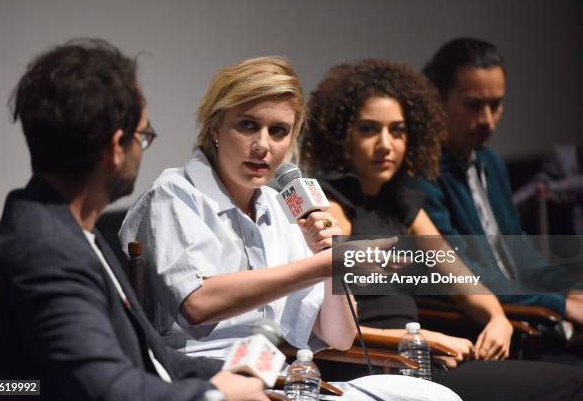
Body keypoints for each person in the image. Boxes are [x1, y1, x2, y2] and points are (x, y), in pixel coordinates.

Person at [119, 56, 463, 400]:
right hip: (202, 381)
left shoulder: (279, 207)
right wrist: (322, 264)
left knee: (436, 397)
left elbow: (339, 336)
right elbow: (197, 304)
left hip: (281, 381)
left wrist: (330, 262)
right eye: (248, 125)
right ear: (215, 129)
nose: (263, 146)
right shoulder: (175, 193)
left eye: (279, 131)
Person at [0, 38, 268, 401]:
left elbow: (155, 359)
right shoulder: (45, 250)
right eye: (143, 136)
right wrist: (216, 395)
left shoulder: (73, 229)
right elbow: (108, 390)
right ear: (117, 147)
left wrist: (253, 375)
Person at [300, 57, 583, 400]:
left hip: (419, 359)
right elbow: (334, 331)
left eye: (398, 130)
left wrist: (496, 318)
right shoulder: (331, 207)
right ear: (340, 135)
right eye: (369, 129)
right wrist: (425, 339)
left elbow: (459, 280)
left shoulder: (403, 201)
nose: (386, 144)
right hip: (373, 367)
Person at [410, 37, 583, 324]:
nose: (487, 120)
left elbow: (520, 251)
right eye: (474, 105)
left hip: (525, 310)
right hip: (484, 324)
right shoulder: (421, 172)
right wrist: (560, 304)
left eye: (496, 105)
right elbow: (466, 271)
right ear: (436, 100)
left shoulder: (490, 161)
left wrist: (570, 290)